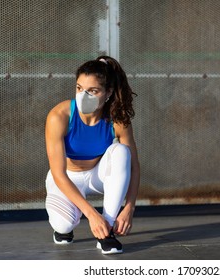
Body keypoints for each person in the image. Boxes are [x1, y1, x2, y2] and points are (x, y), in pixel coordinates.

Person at [44, 56, 140, 255]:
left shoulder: (117, 120)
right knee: (63, 226)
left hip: (96, 175)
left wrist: (129, 208)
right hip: (67, 178)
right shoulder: (59, 116)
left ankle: (106, 232)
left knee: (122, 152)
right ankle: (67, 224)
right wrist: (91, 214)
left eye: (93, 91)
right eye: (79, 88)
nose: (83, 96)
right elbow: (58, 173)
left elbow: (133, 166)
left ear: (108, 93)